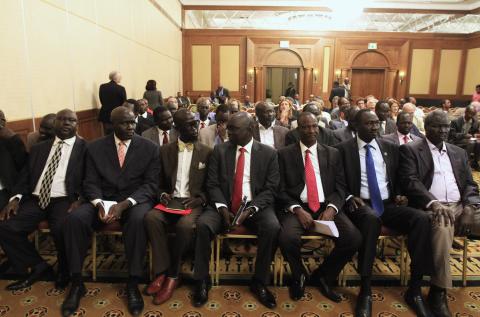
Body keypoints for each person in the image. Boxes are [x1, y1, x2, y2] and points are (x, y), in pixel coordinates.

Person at [61, 107, 160, 316]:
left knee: (138, 220)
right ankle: (77, 281)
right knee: (74, 219)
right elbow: (90, 181)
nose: (131, 127)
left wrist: (125, 204)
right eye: (125, 123)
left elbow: (151, 185)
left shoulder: (149, 147)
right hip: (102, 200)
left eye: (133, 122)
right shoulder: (95, 147)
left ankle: (133, 282)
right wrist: (99, 204)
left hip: (134, 201)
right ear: (112, 125)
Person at [335, 109, 433, 317]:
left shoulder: (390, 147)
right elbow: (336, 182)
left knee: (422, 219)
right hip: (360, 204)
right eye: (369, 123)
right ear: (357, 126)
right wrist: (349, 197)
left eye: (377, 123)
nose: (374, 127)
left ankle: (415, 289)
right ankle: (366, 288)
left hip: (387, 204)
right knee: (371, 220)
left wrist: (400, 194)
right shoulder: (342, 149)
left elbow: (398, 178)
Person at [192, 112, 280, 308]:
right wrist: (222, 207)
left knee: (272, 227)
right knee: (203, 225)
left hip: (254, 206)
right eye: (227, 127)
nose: (227, 131)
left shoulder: (269, 153)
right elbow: (212, 184)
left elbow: (271, 189)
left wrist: (252, 209)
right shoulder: (220, 151)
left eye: (233, 129)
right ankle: (202, 280)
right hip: (223, 204)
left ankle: (260, 281)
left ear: (250, 130)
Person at [399, 110, 480, 317]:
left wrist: (470, 207)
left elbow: (470, 184)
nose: (443, 130)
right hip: (433, 207)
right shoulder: (411, 149)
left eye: (446, 126)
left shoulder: (458, 152)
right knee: (443, 229)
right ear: (427, 128)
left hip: (461, 206)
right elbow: (410, 182)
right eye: (437, 126)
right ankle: (438, 291)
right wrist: (433, 203)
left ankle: (438, 288)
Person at [278, 112, 360, 301]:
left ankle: (324, 276)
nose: (311, 130)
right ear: (298, 129)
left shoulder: (332, 153)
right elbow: (279, 190)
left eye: (314, 126)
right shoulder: (283, 154)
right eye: (306, 127)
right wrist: (297, 210)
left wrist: (331, 209)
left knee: (353, 238)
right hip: (298, 206)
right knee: (287, 237)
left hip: (326, 205)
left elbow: (341, 187)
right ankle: (299, 275)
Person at [0, 109, 86, 292]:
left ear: (77, 125)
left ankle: (64, 269)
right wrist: (15, 199)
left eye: (71, 120)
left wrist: (81, 199)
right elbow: (25, 176)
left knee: (62, 228)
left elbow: (90, 179)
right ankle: (38, 266)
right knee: (6, 226)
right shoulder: (39, 148)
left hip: (64, 199)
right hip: (35, 199)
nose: (66, 123)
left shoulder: (85, 148)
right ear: (55, 123)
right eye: (61, 119)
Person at [144, 109, 212, 304]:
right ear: (177, 128)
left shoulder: (207, 152)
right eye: (189, 124)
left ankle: (173, 276)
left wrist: (200, 199)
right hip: (170, 201)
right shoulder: (165, 150)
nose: (195, 127)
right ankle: (161, 272)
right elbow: (156, 182)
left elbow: (212, 185)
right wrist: (162, 194)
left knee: (184, 226)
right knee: (151, 218)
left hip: (193, 202)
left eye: (195, 123)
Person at [0, 110, 28, 213]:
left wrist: (13, 139)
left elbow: (24, 170)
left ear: (2, 122)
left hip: (5, 191)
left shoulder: (11, 141)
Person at [449, 104, 480, 170]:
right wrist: (464, 135)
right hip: (456, 140)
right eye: (470, 114)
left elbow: (475, 132)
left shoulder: (475, 122)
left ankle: (475, 162)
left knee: (478, 142)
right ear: (466, 112)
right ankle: (465, 163)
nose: (471, 116)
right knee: (471, 142)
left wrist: (476, 134)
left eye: (473, 114)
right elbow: (452, 135)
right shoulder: (455, 121)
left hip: (469, 139)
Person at [98, 71, 127, 135]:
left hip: (105, 113)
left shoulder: (102, 86)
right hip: (117, 114)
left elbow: (101, 99)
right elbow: (124, 103)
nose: (121, 79)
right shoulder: (121, 88)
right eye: (120, 77)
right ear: (116, 78)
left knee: (106, 134)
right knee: (117, 133)